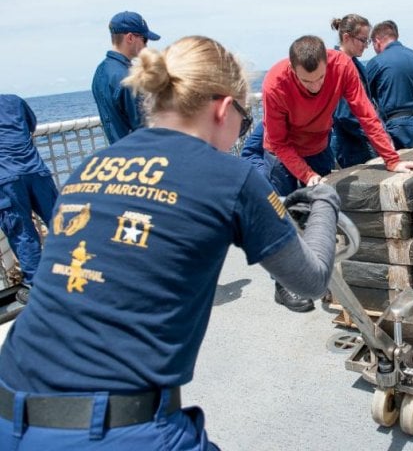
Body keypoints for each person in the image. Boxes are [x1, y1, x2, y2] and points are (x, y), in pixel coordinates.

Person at [0, 36, 341, 449]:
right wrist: (324, 201)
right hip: (115, 429)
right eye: (244, 118)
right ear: (222, 108)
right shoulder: (228, 176)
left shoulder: (90, 166)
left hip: (9, 404)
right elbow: (311, 279)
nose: (241, 130)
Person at [262, 35, 413, 311]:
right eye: (306, 81)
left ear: (328, 63)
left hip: (318, 146)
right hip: (282, 154)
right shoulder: (274, 84)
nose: (315, 87)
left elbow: (365, 113)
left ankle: (320, 275)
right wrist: (306, 174)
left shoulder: (342, 66)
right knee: (286, 222)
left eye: (320, 79)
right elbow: (279, 142)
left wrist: (391, 159)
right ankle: (284, 286)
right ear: (292, 70)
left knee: (321, 217)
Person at [0, 94, 59, 305]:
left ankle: (36, 285)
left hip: (6, 179)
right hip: (35, 170)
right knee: (62, 221)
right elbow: (31, 126)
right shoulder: (13, 101)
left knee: (22, 232)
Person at [92, 11, 160, 144]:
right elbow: (143, 127)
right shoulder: (129, 77)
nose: (146, 45)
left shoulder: (100, 72)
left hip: (119, 152)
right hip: (140, 154)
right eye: (144, 39)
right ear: (130, 38)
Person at [366, 20, 413, 148]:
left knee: (401, 165)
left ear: (377, 41)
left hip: (398, 125)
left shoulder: (376, 62)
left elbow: (364, 97)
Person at [330, 14, 378, 168]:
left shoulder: (355, 64)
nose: (366, 45)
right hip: (351, 145)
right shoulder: (338, 66)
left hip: (361, 140)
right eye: (363, 40)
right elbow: (344, 114)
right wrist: (373, 133)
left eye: (367, 41)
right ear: (346, 37)